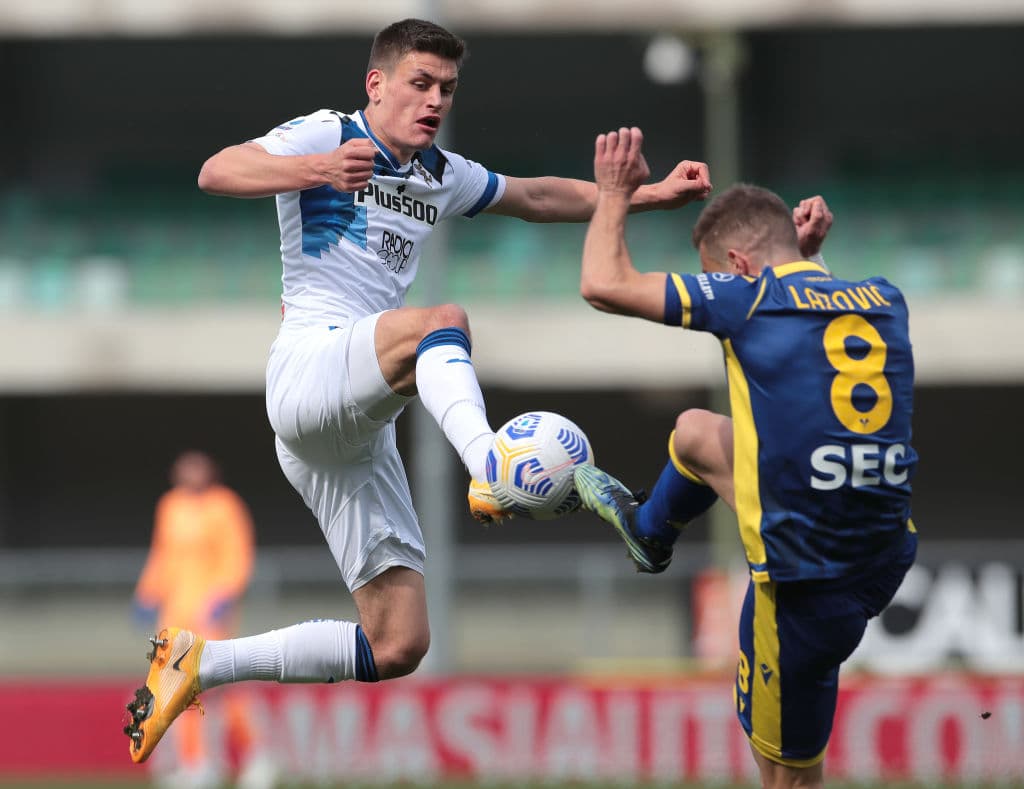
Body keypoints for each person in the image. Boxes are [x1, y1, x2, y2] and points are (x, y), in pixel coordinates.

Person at [124, 19, 713, 764]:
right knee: (442, 321)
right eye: (420, 84)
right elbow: (218, 170)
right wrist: (318, 170)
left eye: (447, 89)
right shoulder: (326, 134)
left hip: (357, 428)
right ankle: (490, 463)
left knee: (399, 641)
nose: (435, 100)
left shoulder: (439, 171)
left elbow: (531, 195)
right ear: (377, 84)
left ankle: (200, 662)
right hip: (309, 371)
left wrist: (645, 196)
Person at [571, 127, 918, 789]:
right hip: (881, 548)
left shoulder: (747, 297)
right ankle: (647, 532)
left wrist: (615, 193)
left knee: (788, 781)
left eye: (717, 274)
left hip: (804, 579)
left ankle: (647, 534)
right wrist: (806, 261)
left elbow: (602, 283)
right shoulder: (884, 299)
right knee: (699, 434)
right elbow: (809, 323)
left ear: (735, 265)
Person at [131, 451, 274, 788]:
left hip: (208, 611)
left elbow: (238, 553)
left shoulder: (225, 505)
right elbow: (162, 555)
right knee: (179, 689)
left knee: (223, 685)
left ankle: (258, 757)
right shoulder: (170, 506)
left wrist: (225, 594)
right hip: (175, 613)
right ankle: (196, 764)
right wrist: (146, 594)